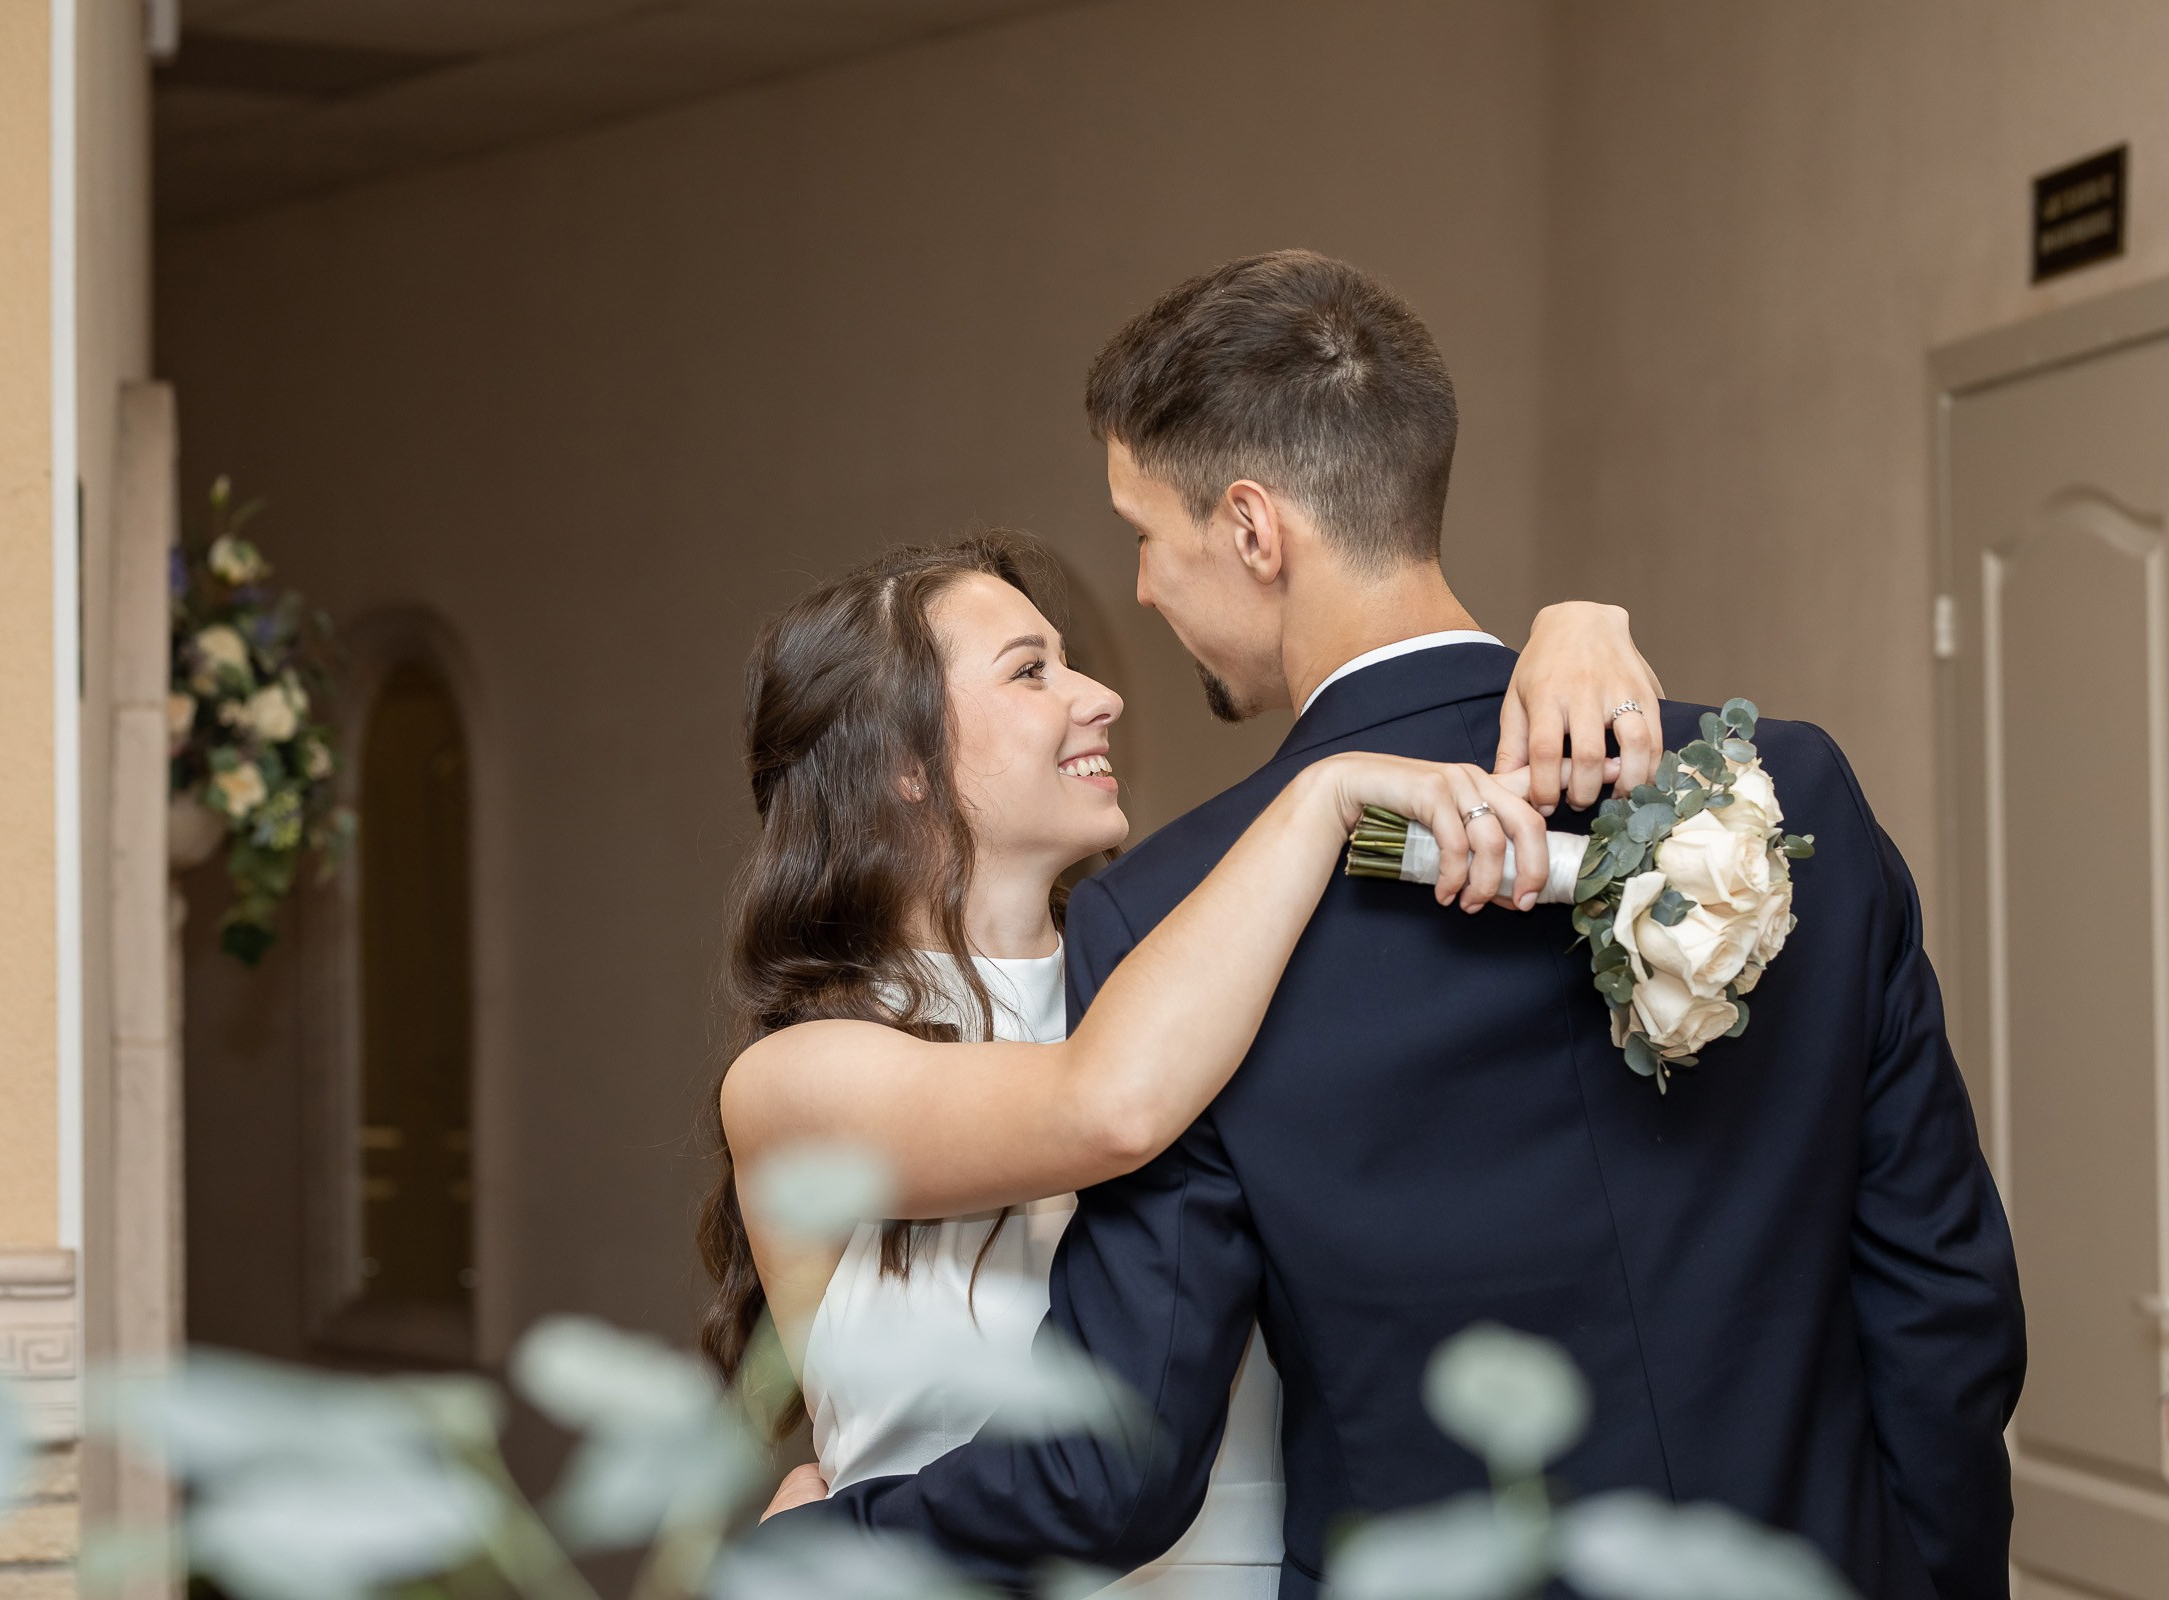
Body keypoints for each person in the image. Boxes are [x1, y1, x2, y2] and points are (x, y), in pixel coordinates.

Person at [761, 251, 2025, 1600]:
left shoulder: (1175, 918)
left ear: (1253, 532)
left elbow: (1126, 1461)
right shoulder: (1786, 794)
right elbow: (1948, 1309)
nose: (1139, 592)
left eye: (1146, 535)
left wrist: (809, 1548)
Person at [704, 532, 1665, 1598]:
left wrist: (1580, 627)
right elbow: (1106, 1106)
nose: (1104, 695)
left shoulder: (1200, 987)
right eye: (1032, 671)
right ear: (900, 762)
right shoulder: (796, 1083)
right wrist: (1318, 793)